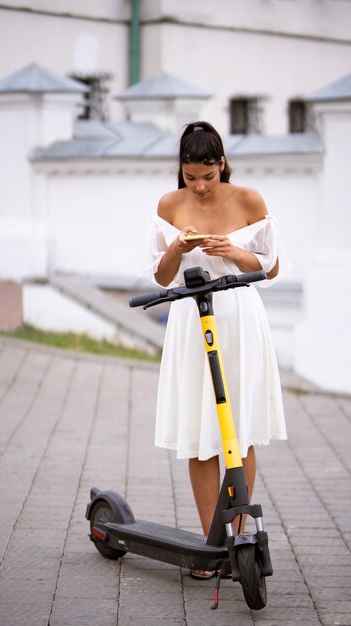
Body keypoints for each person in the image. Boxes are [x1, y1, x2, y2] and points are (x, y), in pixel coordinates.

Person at [145, 121, 288, 579]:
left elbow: (271, 267)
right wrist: (177, 247)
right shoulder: (170, 204)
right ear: (181, 171)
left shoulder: (248, 199)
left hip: (240, 320)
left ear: (221, 163)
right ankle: (212, 545)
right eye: (191, 178)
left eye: (208, 176)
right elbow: (160, 276)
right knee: (200, 432)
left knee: (239, 430)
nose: (200, 186)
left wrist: (233, 251)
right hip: (191, 319)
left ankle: (239, 541)